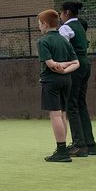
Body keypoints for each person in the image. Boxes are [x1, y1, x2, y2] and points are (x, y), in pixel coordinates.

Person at [36, 9, 80, 162]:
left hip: (51, 81)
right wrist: (66, 69)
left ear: (45, 24)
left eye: (40, 24)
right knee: (63, 114)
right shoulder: (64, 40)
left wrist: (60, 68)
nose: (39, 27)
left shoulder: (43, 41)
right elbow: (76, 63)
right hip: (66, 81)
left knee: (55, 114)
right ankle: (63, 149)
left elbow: (50, 64)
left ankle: (61, 150)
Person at [59, 0, 96, 157]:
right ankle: (90, 144)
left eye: (61, 13)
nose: (60, 16)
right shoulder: (80, 26)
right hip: (85, 64)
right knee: (81, 104)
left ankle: (79, 145)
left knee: (71, 105)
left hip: (74, 66)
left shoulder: (66, 27)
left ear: (67, 12)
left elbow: (63, 47)